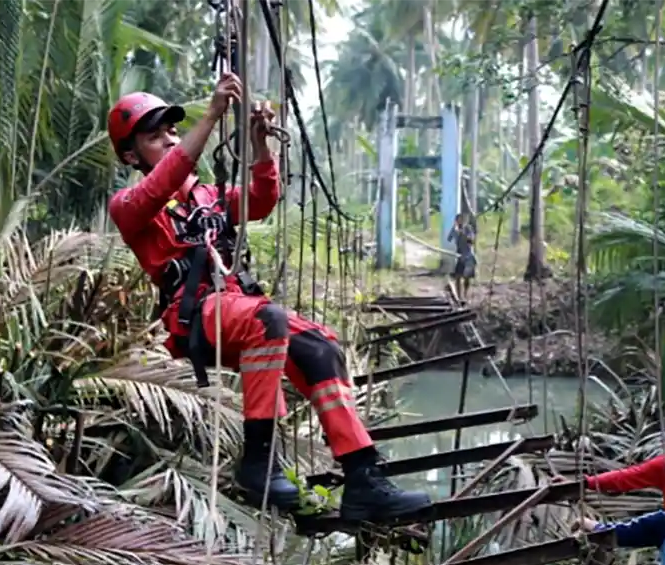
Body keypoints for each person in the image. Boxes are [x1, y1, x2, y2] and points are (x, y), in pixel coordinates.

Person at [105, 74, 430, 521]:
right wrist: (213, 116)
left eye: (172, 131)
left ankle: (362, 475)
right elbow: (163, 183)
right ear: (130, 155)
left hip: (236, 306)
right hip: (194, 316)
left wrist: (261, 147)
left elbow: (260, 200)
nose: (169, 139)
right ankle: (260, 461)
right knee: (268, 320)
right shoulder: (129, 205)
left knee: (320, 347)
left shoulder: (209, 196)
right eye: (154, 136)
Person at [447, 212, 476, 300]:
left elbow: (471, 241)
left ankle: (465, 294)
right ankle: (459, 297)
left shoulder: (468, 229)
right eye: (458, 220)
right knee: (458, 277)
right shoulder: (455, 229)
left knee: (467, 278)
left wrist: (464, 234)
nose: (460, 222)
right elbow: (449, 239)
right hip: (460, 256)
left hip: (468, 256)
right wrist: (454, 231)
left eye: (461, 220)